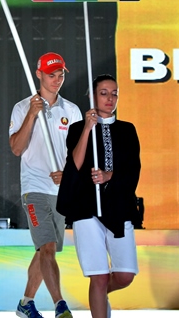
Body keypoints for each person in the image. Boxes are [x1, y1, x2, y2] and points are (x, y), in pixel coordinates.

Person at [57, 74, 141, 318]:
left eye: (114, 93)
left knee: (125, 275)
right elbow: (74, 166)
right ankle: (99, 300)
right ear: (92, 96)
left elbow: (133, 170)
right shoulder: (77, 129)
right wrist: (87, 128)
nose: (110, 98)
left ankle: (100, 295)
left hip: (119, 208)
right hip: (86, 209)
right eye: (103, 93)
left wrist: (108, 175)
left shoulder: (127, 130)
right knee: (99, 276)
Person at [9, 52, 82, 318]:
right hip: (34, 188)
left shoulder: (71, 110)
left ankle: (25, 303)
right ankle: (60, 305)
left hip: (61, 191)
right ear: (39, 74)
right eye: (52, 75)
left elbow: (79, 153)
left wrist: (69, 174)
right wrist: (31, 114)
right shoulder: (22, 107)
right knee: (48, 248)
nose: (57, 80)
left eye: (60, 75)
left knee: (44, 250)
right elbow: (16, 148)